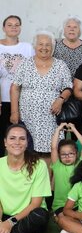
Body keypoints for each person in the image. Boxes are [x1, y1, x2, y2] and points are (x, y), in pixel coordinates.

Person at [10, 31, 73, 154]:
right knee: (27, 150)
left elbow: (68, 87)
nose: (44, 48)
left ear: (53, 47)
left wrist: (60, 99)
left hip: (51, 117)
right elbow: (15, 88)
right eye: (40, 44)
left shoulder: (60, 65)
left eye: (48, 45)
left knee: (52, 149)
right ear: (34, 46)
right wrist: (14, 112)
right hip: (28, 116)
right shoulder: (25, 64)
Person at [0, 124, 51, 233]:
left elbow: (35, 204)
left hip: (27, 216)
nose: (17, 142)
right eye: (12, 138)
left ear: (27, 143)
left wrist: (10, 223)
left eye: (22, 138)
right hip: (4, 215)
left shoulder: (39, 165)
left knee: (40, 216)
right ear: (5, 142)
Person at [0, 15, 34, 155]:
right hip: (3, 100)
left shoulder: (27, 47)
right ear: (4, 28)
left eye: (16, 25)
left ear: (20, 28)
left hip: (23, 100)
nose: (13, 27)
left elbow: (33, 72)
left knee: (23, 138)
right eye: (10, 25)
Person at [50, 122, 82, 216]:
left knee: (80, 218)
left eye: (71, 154)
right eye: (63, 154)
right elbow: (53, 147)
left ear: (76, 154)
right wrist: (58, 130)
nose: (67, 157)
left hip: (76, 204)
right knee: (64, 219)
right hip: (60, 205)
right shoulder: (57, 165)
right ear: (59, 155)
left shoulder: (79, 165)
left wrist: (74, 129)